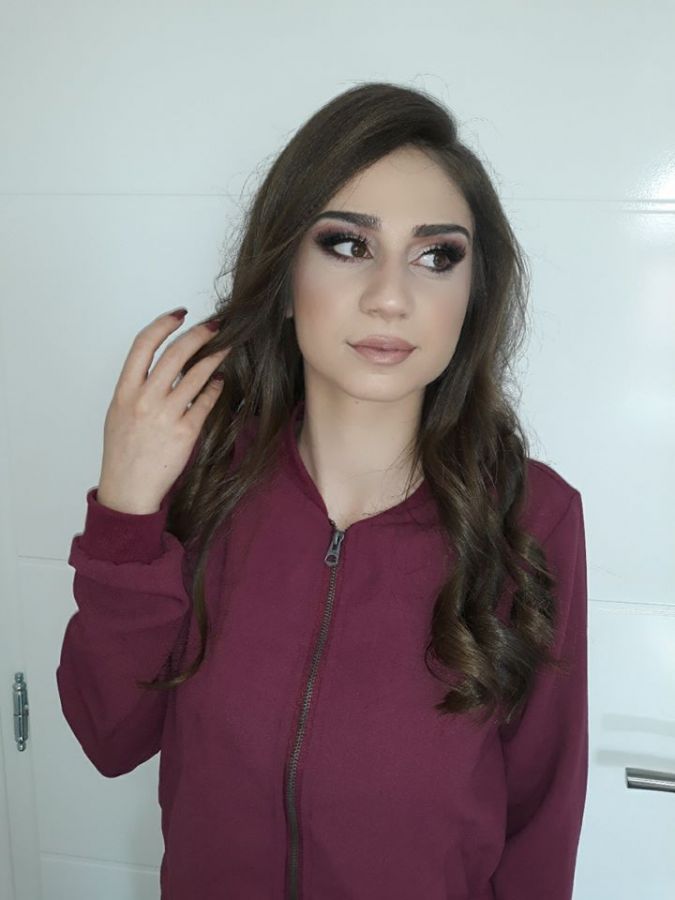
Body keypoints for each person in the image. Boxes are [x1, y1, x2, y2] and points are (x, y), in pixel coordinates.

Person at [57, 81, 588, 900]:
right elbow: (108, 736)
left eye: (436, 256)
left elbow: (542, 819)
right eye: (347, 244)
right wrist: (127, 513)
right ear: (283, 272)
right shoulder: (201, 478)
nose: (390, 297)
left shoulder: (533, 517)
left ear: (472, 294)